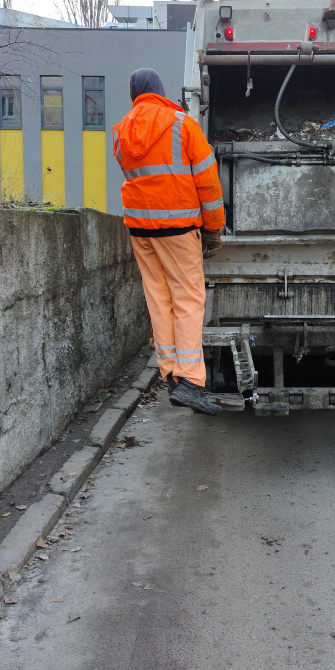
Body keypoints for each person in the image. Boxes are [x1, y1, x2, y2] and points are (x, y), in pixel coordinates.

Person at [113, 68, 224, 416]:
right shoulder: (182, 124)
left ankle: (171, 374)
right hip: (177, 228)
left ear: (134, 95)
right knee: (188, 299)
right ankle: (191, 381)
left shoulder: (121, 133)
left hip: (141, 230)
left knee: (159, 299)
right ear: (161, 90)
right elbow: (207, 182)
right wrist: (213, 227)